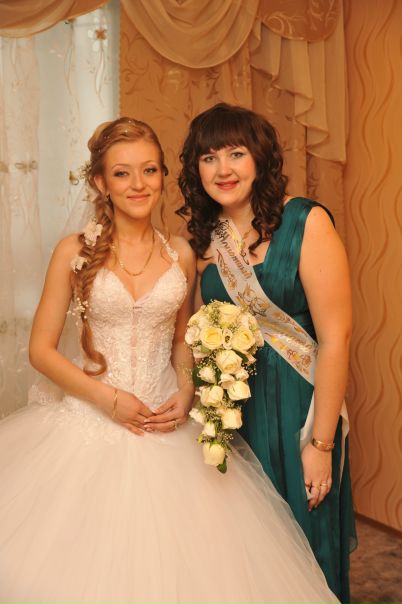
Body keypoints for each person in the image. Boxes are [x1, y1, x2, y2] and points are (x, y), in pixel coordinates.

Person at [0, 116, 340, 604]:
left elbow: (183, 339)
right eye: (122, 173)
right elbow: (40, 350)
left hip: (166, 419)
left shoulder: (182, 251)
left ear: (163, 176)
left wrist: (185, 391)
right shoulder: (73, 251)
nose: (138, 184)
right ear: (100, 182)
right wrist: (108, 398)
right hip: (90, 416)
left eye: (149, 170)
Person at [177, 102, 356, 603]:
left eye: (236, 153)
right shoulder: (203, 242)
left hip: (302, 407)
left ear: (260, 157)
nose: (224, 169)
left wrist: (320, 445)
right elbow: (192, 336)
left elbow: (337, 336)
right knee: (246, 556)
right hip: (238, 413)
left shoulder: (305, 221)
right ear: (196, 170)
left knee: (306, 542)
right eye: (209, 158)